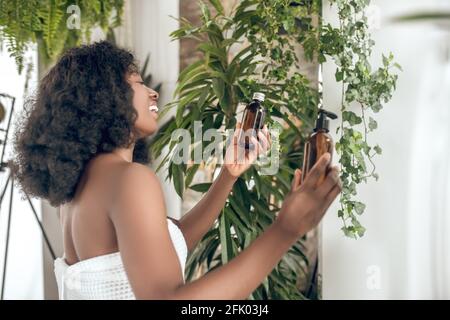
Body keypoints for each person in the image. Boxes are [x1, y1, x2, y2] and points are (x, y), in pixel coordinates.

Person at [11, 41, 342, 299]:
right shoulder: (128, 180)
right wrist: (286, 228)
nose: (152, 91)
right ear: (105, 97)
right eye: (139, 83)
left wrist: (228, 173)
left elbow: (166, 244)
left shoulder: (79, 190)